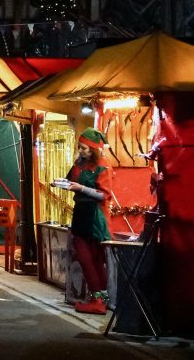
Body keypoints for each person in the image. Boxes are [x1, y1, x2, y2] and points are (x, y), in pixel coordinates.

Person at [64, 128, 113, 315]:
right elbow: (71, 180)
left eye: (84, 148)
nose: (81, 151)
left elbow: (103, 195)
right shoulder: (79, 164)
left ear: (93, 149)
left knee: (91, 258)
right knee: (88, 258)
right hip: (80, 212)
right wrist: (63, 183)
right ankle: (99, 299)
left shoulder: (103, 166)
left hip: (95, 216)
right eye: (79, 147)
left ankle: (99, 299)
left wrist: (81, 188)